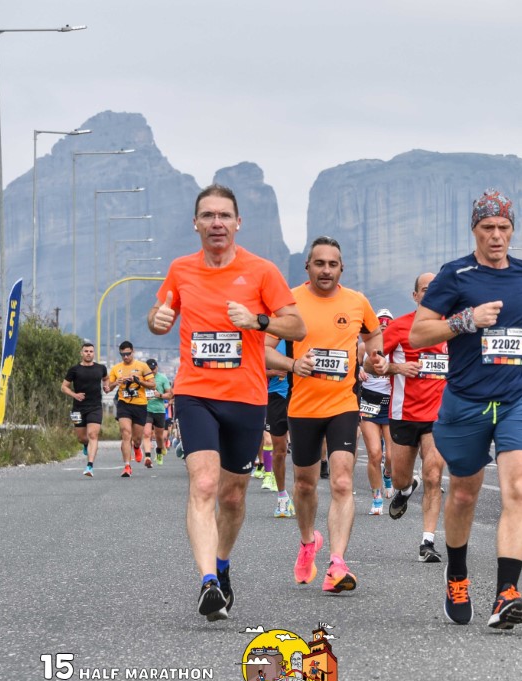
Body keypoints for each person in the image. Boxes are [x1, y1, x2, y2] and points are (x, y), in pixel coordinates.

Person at [148, 184, 305, 622]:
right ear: (196, 224)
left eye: (224, 216)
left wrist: (257, 320)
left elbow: (297, 327)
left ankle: (221, 564)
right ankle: (208, 584)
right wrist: (157, 319)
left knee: (233, 497)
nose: (216, 223)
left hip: (246, 396)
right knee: (203, 484)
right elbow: (158, 316)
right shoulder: (181, 269)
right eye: (208, 215)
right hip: (195, 393)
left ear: (237, 223)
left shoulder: (262, 271)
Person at [410, 189, 522, 629]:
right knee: (464, 494)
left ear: (512, 230)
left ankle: (507, 593)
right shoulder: (454, 275)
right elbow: (418, 334)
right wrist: (465, 321)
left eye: (503, 227)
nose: (496, 236)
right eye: (487, 227)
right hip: (467, 402)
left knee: (519, 488)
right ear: (474, 229)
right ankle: (457, 574)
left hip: (518, 399)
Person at [265, 236, 383, 594]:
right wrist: (292, 364)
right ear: (308, 267)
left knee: (343, 482)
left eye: (333, 264)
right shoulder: (289, 302)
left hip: (343, 404)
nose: (326, 270)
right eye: (319, 263)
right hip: (302, 407)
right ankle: (307, 543)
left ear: (341, 268)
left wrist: (375, 357)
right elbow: (263, 350)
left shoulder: (357, 302)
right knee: (304, 484)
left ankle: (337, 563)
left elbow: (374, 336)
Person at [382, 273, 447, 563]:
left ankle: (427, 542)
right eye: (425, 289)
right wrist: (397, 368)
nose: (431, 294)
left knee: (434, 475)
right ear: (416, 295)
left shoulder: (451, 327)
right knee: (399, 477)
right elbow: (370, 364)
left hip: (439, 416)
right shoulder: (399, 326)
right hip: (404, 414)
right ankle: (406, 488)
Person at [359, 308, 395, 515]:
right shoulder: (363, 347)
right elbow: (352, 367)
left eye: (387, 322)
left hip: (389, 403)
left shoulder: (396, 348)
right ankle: (376, 496)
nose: (383, 324)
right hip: (369, 401)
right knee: (374, 453)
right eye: (380, 322)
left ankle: (388, 474)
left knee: (391, 455)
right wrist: (359, 371)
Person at [105, 340, 155, 478]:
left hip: (140, 405)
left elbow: (153, 385)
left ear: (133, 352)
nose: (125, 357)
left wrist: (139, 381)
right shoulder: (116, 368)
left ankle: (137, 447)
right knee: (126, 433)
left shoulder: (142, 366)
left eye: (128, 354)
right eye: (123, 354)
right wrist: (116, 382)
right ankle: (127, 466)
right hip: (124, 404)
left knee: (137, 438)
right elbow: (108, 388)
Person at [62, 342, 108, 477]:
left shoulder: (101, 368)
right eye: (86, 351)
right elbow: (63, 387)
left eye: (91, 351)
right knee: (82, 438)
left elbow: (106, 378)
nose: (88, 353)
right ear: (81, 353)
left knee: (93, 435)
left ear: (94, 353)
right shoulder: (74, 370)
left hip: (95, 407)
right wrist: (74, 395)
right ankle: (85, 445)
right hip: (78, 408)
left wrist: (106, 386)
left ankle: (89, 466)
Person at [266, 339, 295, 518]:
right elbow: (254, 367)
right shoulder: (271, 340)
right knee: (279, 450)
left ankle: (301, 494)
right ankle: (282, 496)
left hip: (299, 394)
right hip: (275, 396)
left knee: (302, 449)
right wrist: (274, 372)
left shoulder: (301, 338)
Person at [143, 358, 173, 467]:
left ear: (157, 367)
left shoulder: (163, 378)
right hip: (146, 409)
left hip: (159, 410)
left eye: (153, 368)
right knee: (147, 433)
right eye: (150, 369)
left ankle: (159, 451)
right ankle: (147, 457)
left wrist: (159, 395)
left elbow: (170, 395)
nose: (152, 371)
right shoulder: (143, 378)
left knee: (159, 437)